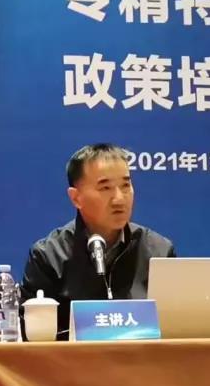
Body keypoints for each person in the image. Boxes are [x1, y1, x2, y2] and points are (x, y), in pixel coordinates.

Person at [20, 143, 176, 339]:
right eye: (105, 188)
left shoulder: (159, 251)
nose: (119, 199)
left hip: (143, 358)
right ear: (76, 198)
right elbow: (31, 339)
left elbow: (174, 329)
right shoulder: (49, 256)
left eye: (125, 185)